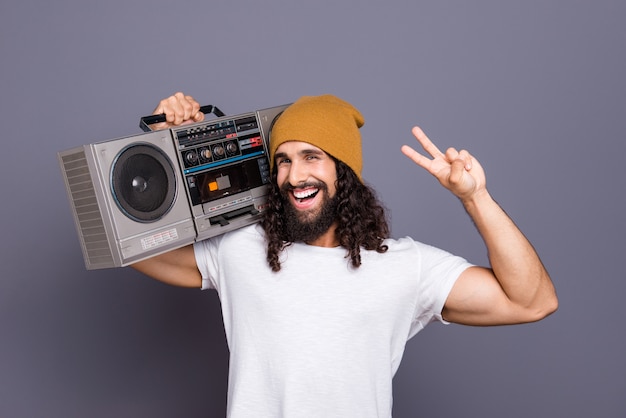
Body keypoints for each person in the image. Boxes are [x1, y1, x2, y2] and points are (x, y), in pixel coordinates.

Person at [132, 92, 558, 417]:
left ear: (344, 171)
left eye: (311, 157)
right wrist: (170, 147)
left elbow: (531, 300)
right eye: (282, 161)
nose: (294, 176)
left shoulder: (403, 266)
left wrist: (475, 197)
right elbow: (133, 250)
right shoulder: (241, 249)